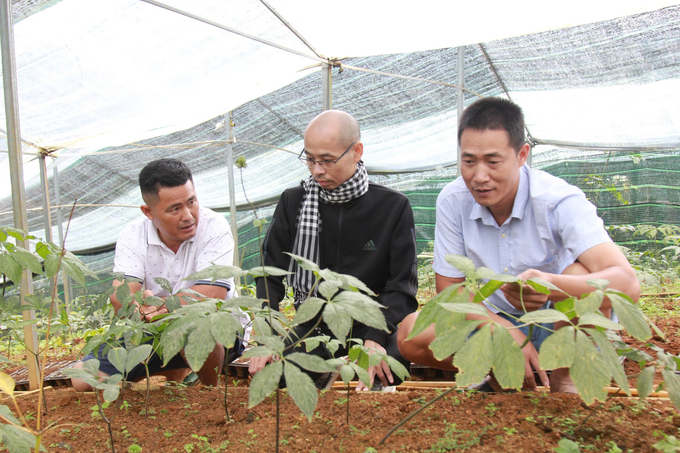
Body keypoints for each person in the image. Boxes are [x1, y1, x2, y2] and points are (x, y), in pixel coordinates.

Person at [397, 97, 641, 392]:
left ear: (522, 154)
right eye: (469, 161)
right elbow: (450, 288)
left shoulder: (557, 200)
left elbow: (627, 284)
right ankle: (504, 371)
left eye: (493, 161)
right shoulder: (453, 200)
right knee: (412, 331)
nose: (479, 176)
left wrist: (550, 284)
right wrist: (498, 328)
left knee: (577, 275)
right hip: (500, 322)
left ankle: (565, 379)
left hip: (561, 324)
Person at [249, 110, 418, 391]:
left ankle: (342, 370)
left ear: (356, 151)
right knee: (274, 374)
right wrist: (269, 336)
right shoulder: (294, 202)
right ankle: (323, 372)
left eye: (327, 160)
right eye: (310, 159)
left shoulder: (392, 207)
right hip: (314, 325)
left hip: (370, 323)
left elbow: (402, 286)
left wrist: (375, 337)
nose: (316, 170)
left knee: (388, 369)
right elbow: (269, 275)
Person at [71, 158, 249, 391]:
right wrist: (139, 308)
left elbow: (211, 296)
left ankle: (210, 393)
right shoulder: (132, 234)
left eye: (191, 202)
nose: (188, 215)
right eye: (175, 208)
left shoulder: (214, 226)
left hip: (219, 329)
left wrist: (155, 306)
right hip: (151, 329)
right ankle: (173, 370)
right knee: (83, 380)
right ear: (149, 211)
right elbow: (121, 296)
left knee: (193, 322)